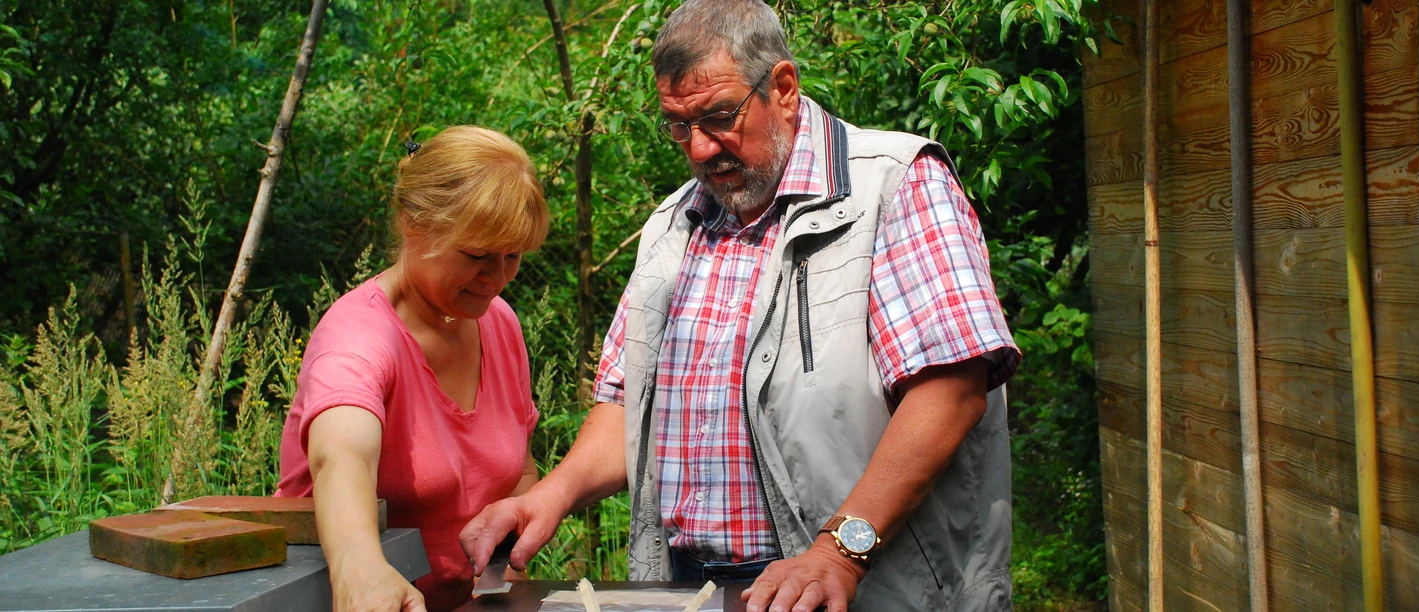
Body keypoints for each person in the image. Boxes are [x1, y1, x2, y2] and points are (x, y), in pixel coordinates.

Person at [463, 1, 1020, 610]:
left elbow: (951, 391)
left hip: (860, 582)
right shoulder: (672, 225)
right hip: (688, 588)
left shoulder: (895, 184)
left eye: (718, 117)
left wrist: (840, 551)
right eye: (678, 125)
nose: (700, 149)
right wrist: (550, 495)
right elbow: (628, 404)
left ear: (783, 87)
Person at [275, 126, 550, 612]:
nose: (497, 278)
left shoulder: (497, 322)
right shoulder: (357, 340)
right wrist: (359, 567)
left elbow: (518, 472)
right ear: (412, 223)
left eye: (513, 256)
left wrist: (499, 578)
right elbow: (341, 458)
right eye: (476, 256)